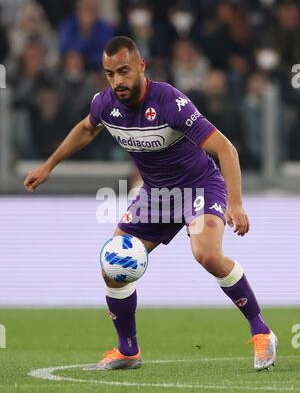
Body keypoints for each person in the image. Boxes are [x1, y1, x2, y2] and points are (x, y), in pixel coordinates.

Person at [24, 36, 277, 372]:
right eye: (110, 74)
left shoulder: (170, 101)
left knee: (207, 254)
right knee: (112, 266)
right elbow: (86, 129)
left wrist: (236, 202)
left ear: (141, 66)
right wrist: (49, 165)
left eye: (124, 71)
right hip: (156, 195)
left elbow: (225, 149)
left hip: (198, 188)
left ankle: (262, 332)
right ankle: (128, 351)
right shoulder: (105, 103)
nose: (117, 81)